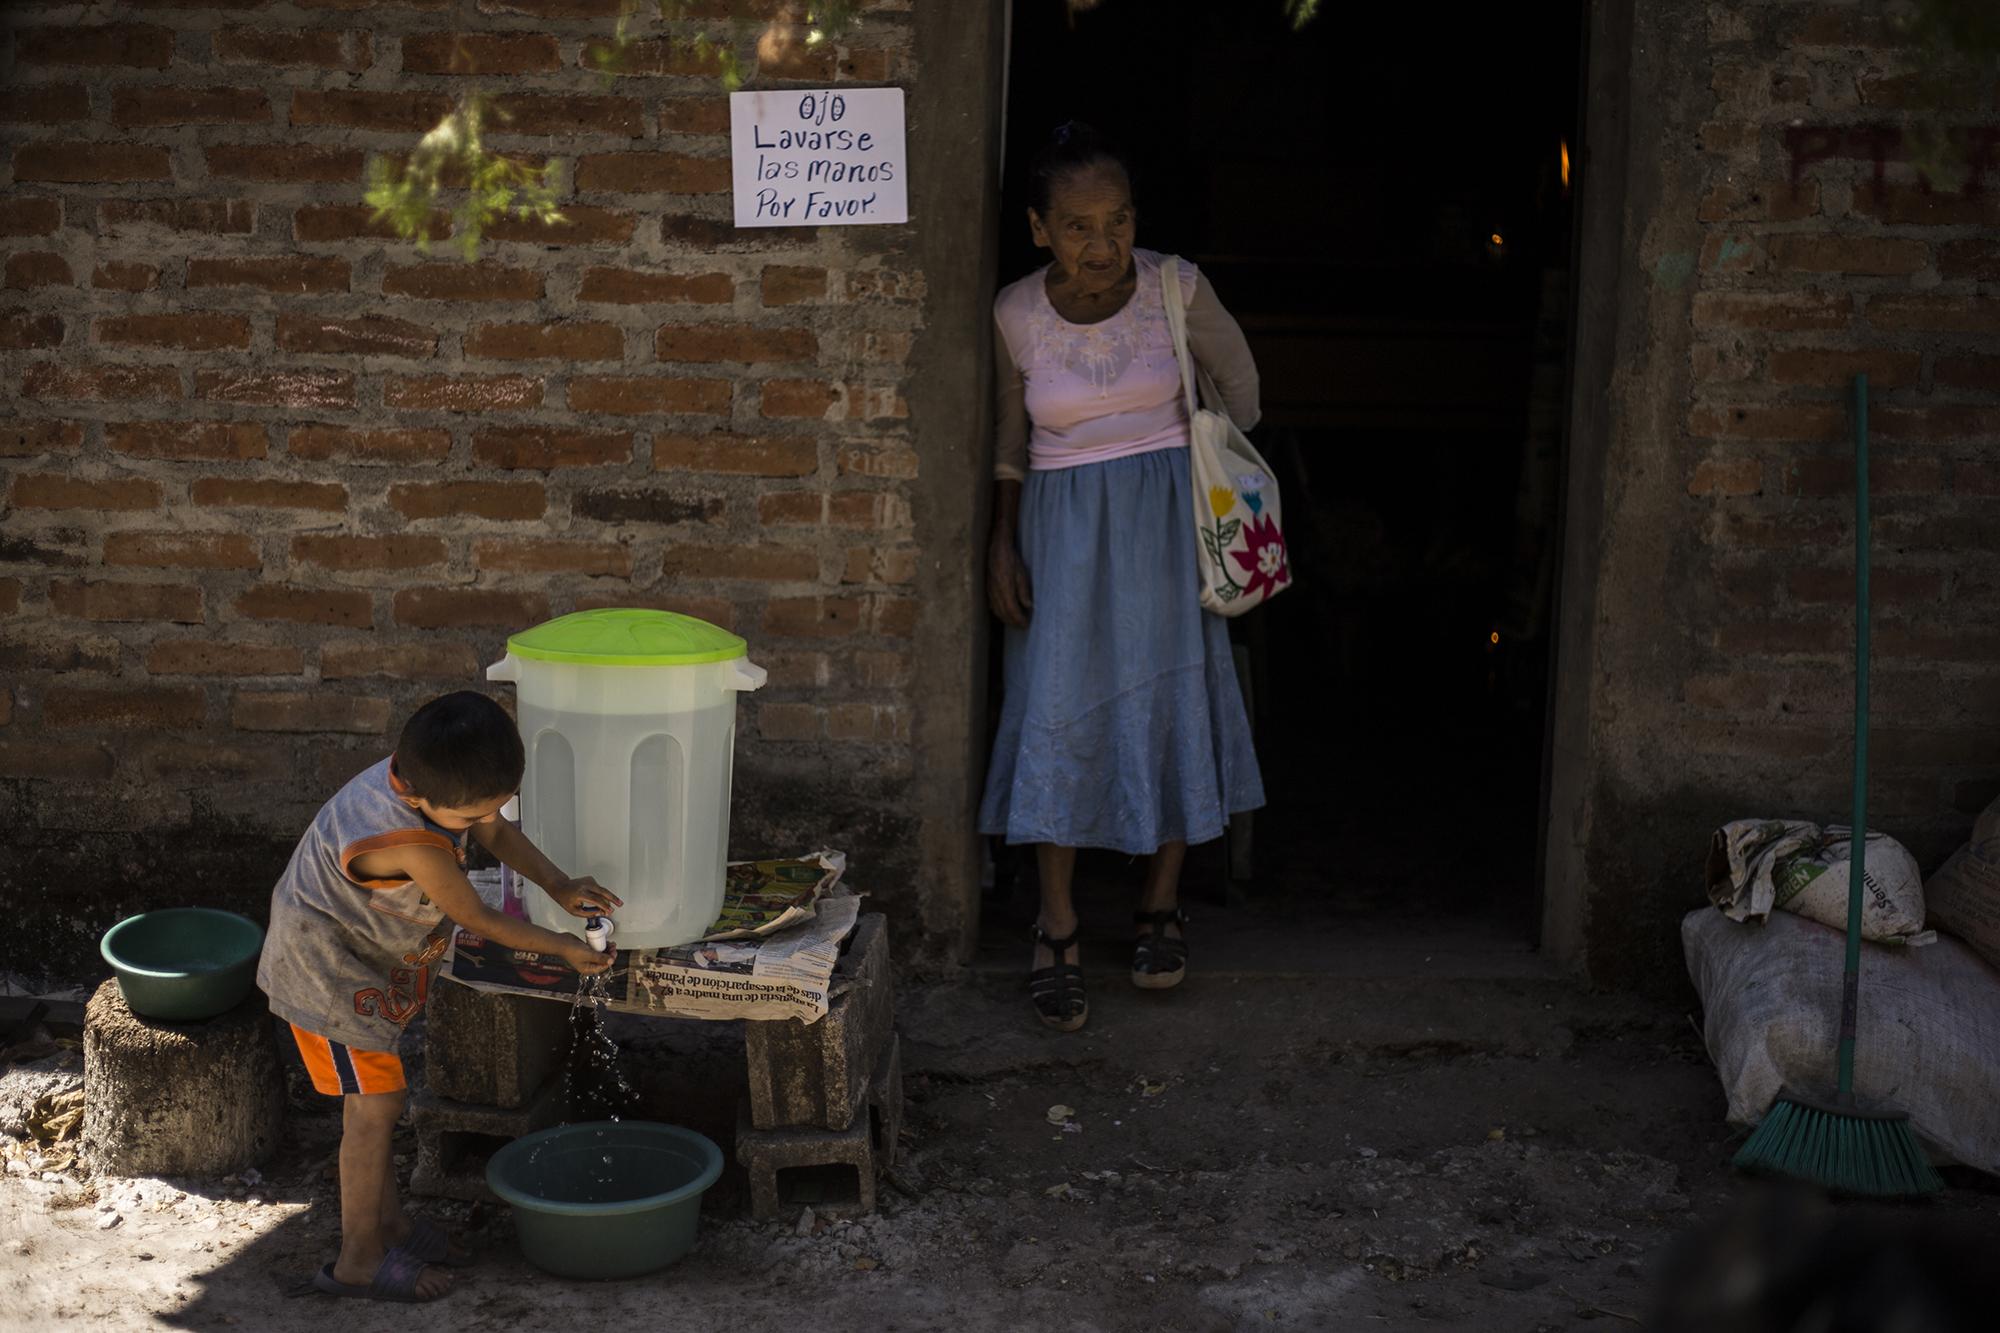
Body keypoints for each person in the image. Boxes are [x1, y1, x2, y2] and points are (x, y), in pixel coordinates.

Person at [979, 121, 1265, 1031]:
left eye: (1119, 221)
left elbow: (1245, 393)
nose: (1103, 246)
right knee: (1056, 707)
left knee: (1165, 701)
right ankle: (1056, 923)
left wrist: (1183, 441)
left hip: (1167, 526)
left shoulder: (1176, 288)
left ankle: (1160, 904)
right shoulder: (1015, 313)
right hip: (1059, 529)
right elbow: (1009, 444)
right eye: (1077, 226)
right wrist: (1002, 541)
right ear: (1039, 228)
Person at [257, 691, 621, 1303]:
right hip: (322, 972)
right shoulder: (408, 840)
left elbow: (495, 831)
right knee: (374, 1107)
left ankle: (391, 1225)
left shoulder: (434, 778)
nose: (488, 820)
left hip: (360, 965)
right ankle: (358, 1259)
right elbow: (476, 916)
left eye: (497, 805)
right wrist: (559, 946)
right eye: (472, 815)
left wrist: (559, 884)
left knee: (377, 1101)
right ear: (418, 798)